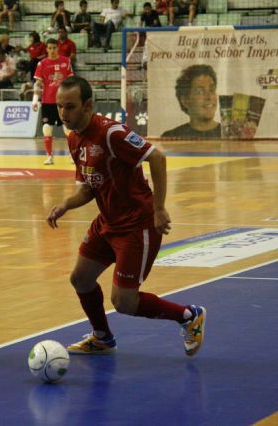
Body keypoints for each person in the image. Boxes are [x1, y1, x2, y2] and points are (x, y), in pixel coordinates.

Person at [48, 75, 206, 357]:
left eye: (69, 107)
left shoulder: (112, 133)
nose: (63, 113)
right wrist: (65, 205)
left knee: (124, 302)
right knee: (81, 279)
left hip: (137, 226)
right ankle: (102, 338)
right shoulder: (73, 139)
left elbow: (157, 157)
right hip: (107, 223)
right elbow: (89, 188)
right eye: (59, 106)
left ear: (88, 105)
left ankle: (188, 316)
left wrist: (159, 208)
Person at [32, 39, 73, 165]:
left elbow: (71, 82)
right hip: (47, 101)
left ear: (58, 48)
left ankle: (73, 155)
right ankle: (49, 156)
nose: (52, 50)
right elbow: (38, 83)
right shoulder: (42, 63)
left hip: (63, 101)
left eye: (54, 47)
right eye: (49, 48)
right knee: (46, 129)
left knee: (68, 129)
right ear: (47, 49)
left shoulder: (66, 61)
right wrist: (35, 100)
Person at [161, 64, 221, 138]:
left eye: (212, 90)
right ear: (185, 101)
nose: (209, 97)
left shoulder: (230, 134)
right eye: (200, 92)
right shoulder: (170, 137)